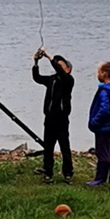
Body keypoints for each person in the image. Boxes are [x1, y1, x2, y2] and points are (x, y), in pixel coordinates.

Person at [31, 49, 75, 180]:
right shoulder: (52, 79)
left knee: (64, 146)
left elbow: (60, 71)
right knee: (48, 147)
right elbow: (37, 78)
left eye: (61, 65)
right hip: (49, 118)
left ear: (68, 69)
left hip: (62, 118)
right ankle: (48, 172)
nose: (58, 67)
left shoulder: (68, 80)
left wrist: (49, 57)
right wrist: (36, 62)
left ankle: (68, 173)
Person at [86, 61, 110, 186]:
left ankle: (100, 178)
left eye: (99, 72)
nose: (98, 74)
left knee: (102, 153)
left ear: (105, 74)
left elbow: (104, 110)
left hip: (104, 127)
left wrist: (94, 122)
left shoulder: (104, 92)